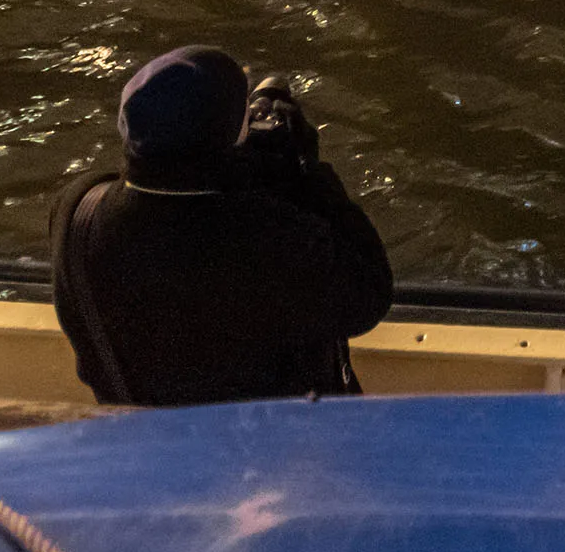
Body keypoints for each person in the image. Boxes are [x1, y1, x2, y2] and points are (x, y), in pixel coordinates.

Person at [48, 45, 395, 406]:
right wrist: (307, 171)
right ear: (229, 140)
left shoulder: (77, 210)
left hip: (141, 440)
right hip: (256, 450)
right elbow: (369, 294)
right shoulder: (270, 238)